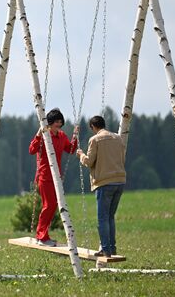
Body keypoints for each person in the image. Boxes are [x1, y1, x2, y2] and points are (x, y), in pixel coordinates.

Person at [76, 115, 126, 257]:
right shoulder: (118, 138)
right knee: (110, 217)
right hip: (120, 180)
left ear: (93, 127)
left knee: (103, 218)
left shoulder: (95, 140)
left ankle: (105, 249)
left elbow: (89, 162)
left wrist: (80, 154)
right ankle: (112, 247)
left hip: (104, 182)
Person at [29, 108, 79, 247]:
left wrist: (75, 136)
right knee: (49, 205)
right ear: (49, 123)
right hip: (44, 175)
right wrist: (38, 134)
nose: (58, 124)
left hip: (56, 175)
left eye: (60, 121)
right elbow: (32, 150)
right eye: (56, 121)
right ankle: (41, 237)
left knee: (54, 205)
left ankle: (43, 235)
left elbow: (70, 149)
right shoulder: (45, 135)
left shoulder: (62, 136)